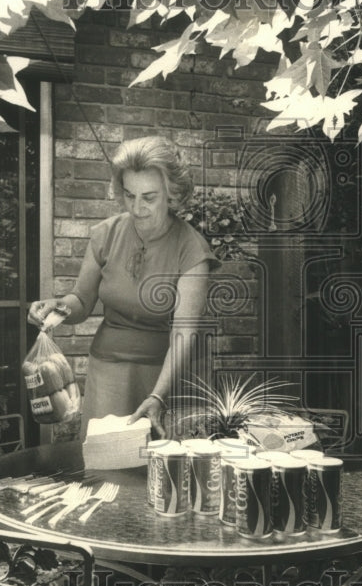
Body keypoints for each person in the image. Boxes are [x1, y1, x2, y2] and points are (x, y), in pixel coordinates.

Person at [28, 135, 220, 439]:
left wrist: (158, 396)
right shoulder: (106, 235)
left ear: (171, 195)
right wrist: (59, 308)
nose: (137, 207)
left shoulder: (191, 249)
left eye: (149, 197)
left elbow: (184, 332)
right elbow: (81, 300)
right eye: (130, 195)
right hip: (111, 373)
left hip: (169, 376)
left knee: (165, 471)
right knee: (107, 466)